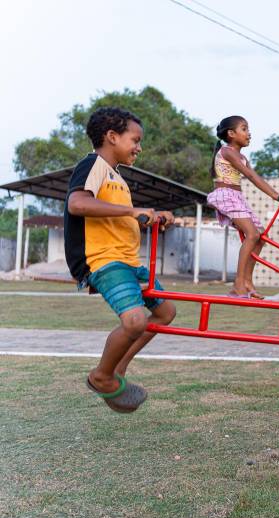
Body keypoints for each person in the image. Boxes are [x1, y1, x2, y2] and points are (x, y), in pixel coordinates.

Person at [65, 107, 177, 413]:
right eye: (135, 140)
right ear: (112, 137)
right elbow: (77, 203)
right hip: (105, 261)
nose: (139, 147)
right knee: (135, 320)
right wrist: (131, 211)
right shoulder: (94, 164)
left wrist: (149, 220)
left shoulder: (116, 177)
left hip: (128, 261)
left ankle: (118, 370)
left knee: (166, 311)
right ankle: (102, 376)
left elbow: (116, 218)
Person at [205, 116, 279, 299]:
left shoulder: (242, 157)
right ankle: (238, 284)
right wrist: (276, 195)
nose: (249, 133)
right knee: (252, 234)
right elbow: (251, 176)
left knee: (261, 236)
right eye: (244, 129)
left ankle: (247, 281)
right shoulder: (227, 151)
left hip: (237, 197)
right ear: (231, 133)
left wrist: (275, 194)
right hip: (226, 196)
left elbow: (253, 176)